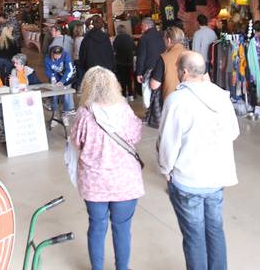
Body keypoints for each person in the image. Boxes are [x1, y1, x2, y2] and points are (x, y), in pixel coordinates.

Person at [159, 52, 239, 270]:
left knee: (194, 236)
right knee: (215, 230)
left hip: (188, 179)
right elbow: (233, 132)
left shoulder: (176, 100)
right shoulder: (221, 95)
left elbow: (168, 142)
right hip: (216, 177)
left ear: (184, 72)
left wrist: (166, 169)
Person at [70, 66, 144, 270]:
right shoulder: (124, 110)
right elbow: (136, 135)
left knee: (96, 226)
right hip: (124, 182)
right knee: (122, 229)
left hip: (94, 183)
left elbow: (76, 142)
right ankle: (122, 267)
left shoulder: (84, 114)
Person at [150, 27, 188, 102]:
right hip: (191, 100)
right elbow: (206, 80)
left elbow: (154, 85)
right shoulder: (194, 55)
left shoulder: (164, 58)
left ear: (169, 40)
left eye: (164, 39)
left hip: (171, 101)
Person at [45, 45, 76, 123]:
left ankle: (65, 114)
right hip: (55, 78)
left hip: (66, 78)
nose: (58, 58)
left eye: (59, 55)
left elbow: (69, 70)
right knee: (54, 96)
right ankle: (54, 115)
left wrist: (62, 81)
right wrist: (52, 78)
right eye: (56, 56)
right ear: (52, 54)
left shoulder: (66, 55)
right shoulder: (47, 58)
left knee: (66, 95)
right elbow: (48, 70)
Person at [135, 18, 165, 92]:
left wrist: (139, 73)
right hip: (163, 68)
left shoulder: (144, 38)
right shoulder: (163, 35)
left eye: (142, 25)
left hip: (149, 70)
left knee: (148, 94)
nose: (141, 27)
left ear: (146, 26)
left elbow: (141, 57)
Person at [113, 25, 135, 101]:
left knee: (122, 79)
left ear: (118, 31)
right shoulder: (129, 37)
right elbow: (133, 48)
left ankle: (124, 95)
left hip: (120, 61)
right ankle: (131, 95)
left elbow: (114, 50)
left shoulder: (117, 39)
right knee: (129, 78)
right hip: (129, 61)